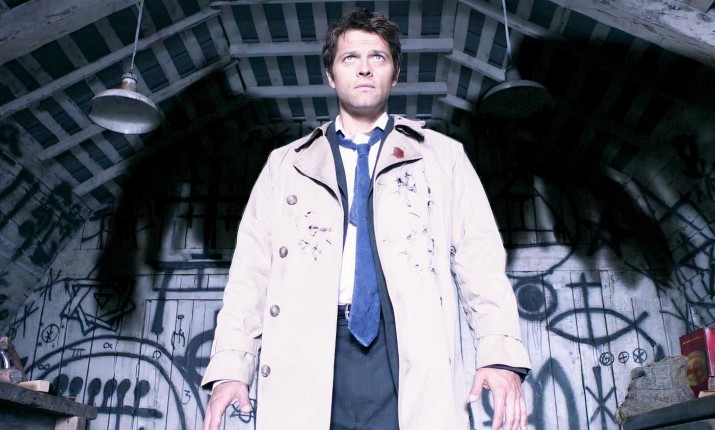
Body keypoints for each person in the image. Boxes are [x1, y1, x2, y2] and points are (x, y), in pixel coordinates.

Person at [202, 8, 531, 430]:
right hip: (309, 351)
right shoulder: (285, 165)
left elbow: (479, 261)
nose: (364, 68)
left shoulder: (442, 157)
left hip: (410, 349)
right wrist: (232, 367)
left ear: (395, 74)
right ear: (330, 75)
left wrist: (499, 356)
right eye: (349, 58)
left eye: (378, 57)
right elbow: (251, 272)